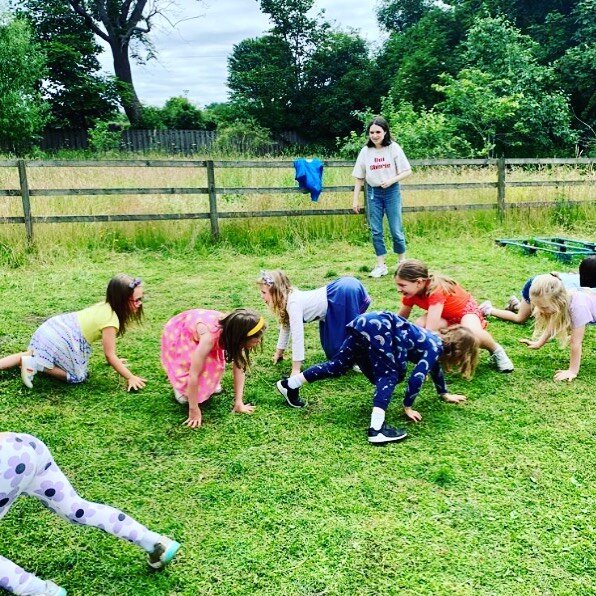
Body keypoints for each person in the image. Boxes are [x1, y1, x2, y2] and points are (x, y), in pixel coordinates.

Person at [0, 431, 180, 595]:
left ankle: (40, 591)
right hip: (22, 446)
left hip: (4, 468)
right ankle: (154, 542)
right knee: (76, 508)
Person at [276, 312, 479, 444]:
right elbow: (417, 377)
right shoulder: (434, 347)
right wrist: (408, 406)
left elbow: (434, 369)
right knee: (390, 373)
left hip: (366, 323)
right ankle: (376, 430)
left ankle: (290, 384)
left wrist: (444, 393)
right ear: (458, 352)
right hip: (378, 328)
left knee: (338, 366)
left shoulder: (433, 340)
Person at [0, 275, 146, 391]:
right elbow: (110, 355)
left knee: (29, 353)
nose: (140, 304)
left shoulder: (105, 306)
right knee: (77, 376)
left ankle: (26, 360)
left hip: (54, 327)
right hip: (63, 338)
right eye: (137, 300)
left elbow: (110, 355)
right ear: (122, 301)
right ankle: (37, 365)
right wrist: (130, 377)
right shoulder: (111, 320)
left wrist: (115, 362)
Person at [395, 259, 514, 372]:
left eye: (402, 285)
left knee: (472, 332)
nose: (398, 289)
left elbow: (430, 330)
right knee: (419, 325)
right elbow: (399, 320)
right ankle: (443, 353)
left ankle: (496, 350)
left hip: (465, 313)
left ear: (419, 282)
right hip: (445, 316)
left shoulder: (436, 290)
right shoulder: (411, 293)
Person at [161, 308, 266, 429]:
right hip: (183, 332)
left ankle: (205, 386)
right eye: (255, 340)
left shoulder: (235, 331)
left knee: (211, 365)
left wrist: (238, 402)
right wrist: (193, 408)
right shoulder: (208, 339)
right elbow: (193, 374)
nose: (258, 342)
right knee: (191, 372)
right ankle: (180, 388)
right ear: (241, 337)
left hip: (204, 331)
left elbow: (239, 365)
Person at [257, 270, 371, 376]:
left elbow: (298, 337)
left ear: (276, 292)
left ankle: (362, 360)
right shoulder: (287, 299)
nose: (261, 296)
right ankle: (354, 357)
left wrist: (296, 369)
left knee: (345, 338)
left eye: (264, 292)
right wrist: (279, 352)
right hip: (333, 303)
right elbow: (285, 326)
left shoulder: (293, 304)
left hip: (341, 295)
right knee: (333, 351)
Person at [351, 116, 412, 278]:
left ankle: (401, 263)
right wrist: (355, 199)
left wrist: (391, 180)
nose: (375, 135)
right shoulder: (365, 151)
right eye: (372, 132)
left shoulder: (394, 148)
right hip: (373, 193)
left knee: (395, 229)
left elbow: (407, 171)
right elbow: (359, 177)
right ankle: (380, 265)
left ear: (385, 132)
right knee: (376, 230)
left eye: (378, 132)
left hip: (392, 191)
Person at [519, 274, 595, 381]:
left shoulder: (578, 307)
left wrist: (572, 371)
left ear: (558, 300)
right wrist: (539, 343)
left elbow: (576, 342)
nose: (540, 310)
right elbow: (555, 323)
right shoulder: (564, 300)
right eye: (537, 306)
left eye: (544, 307)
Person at [479, 256, 596, 324]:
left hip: (548, 289)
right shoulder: (575, 290)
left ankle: (516, 305)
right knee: (520, 318)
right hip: (536, 287)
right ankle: (488, 309)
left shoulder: (585, 282)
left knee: (544, 309)